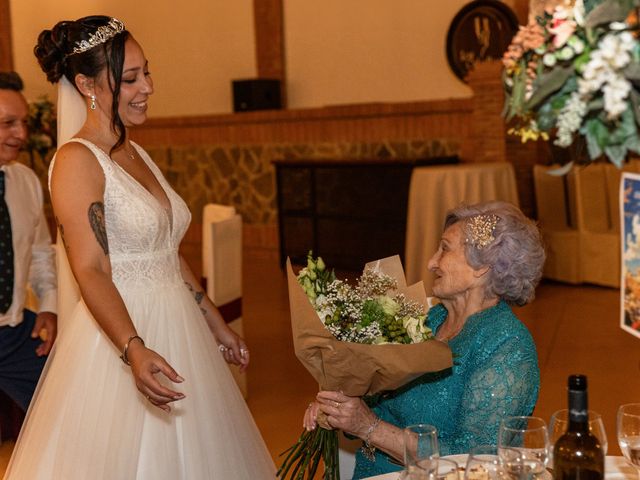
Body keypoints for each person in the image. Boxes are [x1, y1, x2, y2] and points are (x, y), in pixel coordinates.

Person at [4, 16, 274, 479]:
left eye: (146, 72)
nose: (147, 86)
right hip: (122, 334)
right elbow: (89, 269)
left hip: (179, 329)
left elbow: (166, 251)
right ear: (86, 84)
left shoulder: (133, 149)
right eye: (129, 78)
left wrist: (215, 322)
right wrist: (133, 348)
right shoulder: (75, 161)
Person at [303, 201, 545, 479]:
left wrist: (369, 427)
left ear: (482, 267)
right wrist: (338, 405)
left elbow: (475, 460)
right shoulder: (429, 320)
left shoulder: (508, 347)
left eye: (444, 248)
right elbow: (374, 393)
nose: (431, 263)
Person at [0, 71, 57, 413]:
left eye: (22, 123)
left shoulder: (26, 182)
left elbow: (39, 252)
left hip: (15, 331)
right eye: (8, 123)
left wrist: (49, 304)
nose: (21, 134)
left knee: (66, 405)